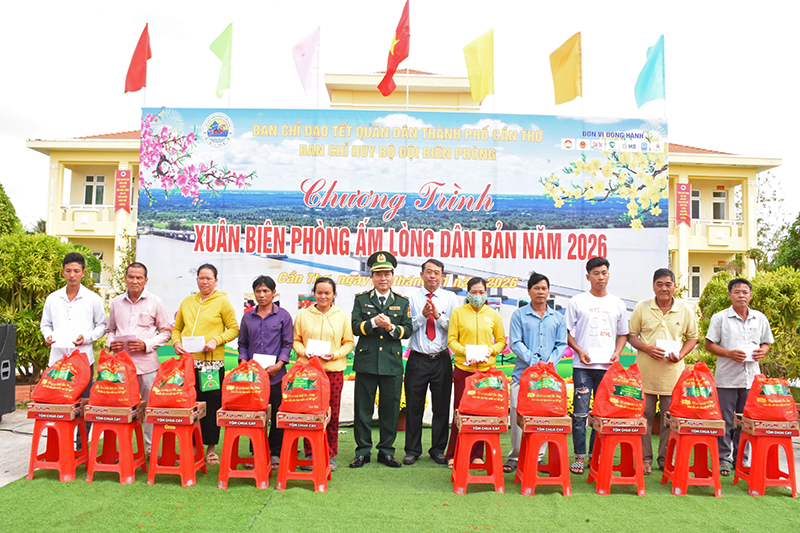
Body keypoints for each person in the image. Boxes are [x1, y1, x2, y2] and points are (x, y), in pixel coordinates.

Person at [627, 268, 698, 474]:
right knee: (644, 418)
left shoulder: (685, 309)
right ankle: (645, 459)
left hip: (672, 375)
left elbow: (692, 337)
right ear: (653, 286)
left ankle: (665, 460)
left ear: (674, 286)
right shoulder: (642, 307)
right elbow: (632, 335)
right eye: (659, 284)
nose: (664, 288)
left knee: (670, 420)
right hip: (645, 374)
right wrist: (647, 348)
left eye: (668, 284)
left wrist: (681, 354)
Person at [704, 277, 773, 476]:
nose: (741, 295)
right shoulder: (720, 318)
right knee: (725, 421)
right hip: (727, 378)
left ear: (751, 296)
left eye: (745, 292)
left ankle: (741, 459)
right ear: (730, 295)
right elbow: (709, 344)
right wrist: (729, 353)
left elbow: (766, 342)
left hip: (751, 379)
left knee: (746, 421)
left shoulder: (760, 318)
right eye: (737, 292)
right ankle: (723, 459)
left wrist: (763, 351)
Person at [172, 263, 239, 466]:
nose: (204, 281)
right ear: (197, 280)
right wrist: (176, 342)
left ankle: (210, 449)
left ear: (216, 281)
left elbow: (234, 329)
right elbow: (177, 328)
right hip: (188, 364)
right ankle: (192, 447)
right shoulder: (187, 302)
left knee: (211, 406)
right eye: (201, 278)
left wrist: (216, 340)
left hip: (211, 364)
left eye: (208, 278)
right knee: (190, 405)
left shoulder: (223, 302)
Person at [566, 256, 628, 475]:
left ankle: (596, 456)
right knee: (580, 414)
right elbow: (567, 332)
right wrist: (579, 351)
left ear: (608, 275)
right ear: (588, 276)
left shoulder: (617, 303)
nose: (600, 277)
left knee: (602, 415)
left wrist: (617, 353)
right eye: (596, 273)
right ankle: (579, 458)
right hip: (583, 366)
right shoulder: (577, 301)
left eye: (604, 273)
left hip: (607, 368)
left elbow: (623, 333)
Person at [349, 251, 412, 468]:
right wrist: (373, 323)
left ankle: (386, 451)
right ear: (372, 277)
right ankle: (362, 451)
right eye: (378, 274)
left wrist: (392, 327)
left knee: (390, 410)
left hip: (391, 364)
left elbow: (408, 330)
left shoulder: (402, 302)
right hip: (366, 362)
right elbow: (355, 327)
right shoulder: (361, 299)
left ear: (393, 276)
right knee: (363, 410)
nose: (383, 278)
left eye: (386, 274)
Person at [40, 251, 107, 449]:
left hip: (83, 360)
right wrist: (47, 336)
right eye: (68, 271)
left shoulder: (93, 299)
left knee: (84, 404)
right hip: (58, 361)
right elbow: (45, 325)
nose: (72, 275)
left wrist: (87, 337)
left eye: (76, 271)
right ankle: (59, 444)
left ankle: (81, 446)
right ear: (62, 272)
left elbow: (102, 326)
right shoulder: (53, 298)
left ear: (83, 273)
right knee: (58, 404)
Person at [504, 272, 567, 473]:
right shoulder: (519, 315)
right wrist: (535, 362)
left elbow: (561, 344)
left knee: (543, 416)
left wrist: (548, 364)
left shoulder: (557, 318)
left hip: (547, 378)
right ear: (529, 291)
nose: (541, 292)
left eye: (544, 288)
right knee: (517, 414)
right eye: (537, 288)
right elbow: (515, 343)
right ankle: (515, 457)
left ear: (549, 292)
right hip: (522, 375)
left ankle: (537, 457)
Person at [107, 262, 172, 455]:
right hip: (120, 367)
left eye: (138, 278)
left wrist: (146, 344)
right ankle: (124, 451)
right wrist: (111, 343)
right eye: (131, 277)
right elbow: (110, 330)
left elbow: (166, 333)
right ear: (125, 278)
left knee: (150, 409)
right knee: (121, 409)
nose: (134, 281)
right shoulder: (116, 303)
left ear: (145, 280)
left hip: (147, 366)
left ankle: (151, 450)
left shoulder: (155, 302)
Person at [294, 277, 355, 471]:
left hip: (333, 372)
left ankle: (329, 454)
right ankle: (310, 453)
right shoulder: (303, 315)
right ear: (314, 293)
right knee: (309, 413)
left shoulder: (342, 316)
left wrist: (334, 355)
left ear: (334, 294)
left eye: (327, 293)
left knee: (332, 413)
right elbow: (296, 340)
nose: (323, 296)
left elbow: (349, 343)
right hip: (308, 372)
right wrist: (304, 352)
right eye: (319, 292)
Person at [445, 277, 507, 468]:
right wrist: (467, 352)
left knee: (482, 414)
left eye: (481, 292)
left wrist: (491, 351)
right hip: (464, 370)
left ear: (486, 293)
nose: (477, 296)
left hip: (486, 373)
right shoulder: (458, 313)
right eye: (474, 292)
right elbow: (451, 340)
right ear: (467, 293)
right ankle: (453, 454)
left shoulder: (493, 314)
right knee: (460, 412)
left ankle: (477, 454)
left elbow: (501, 341)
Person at [403, 259, 458, 466]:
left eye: (437, 272)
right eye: (429, 272)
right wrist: (422, 317)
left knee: (441, 407)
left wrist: (437, 316)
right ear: (421, 275)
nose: (432, 276)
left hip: (441, 359)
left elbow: (455, 327)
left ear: (442, 276)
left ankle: (438, 449)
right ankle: (412, 450)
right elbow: (405, 328)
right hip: (417, 359)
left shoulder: (450, 298)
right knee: (413, 407)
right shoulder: (411, 297)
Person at [237, 275, 293, 471]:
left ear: (273, 293)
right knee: (255, 415)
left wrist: (279, 364)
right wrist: (244, 361)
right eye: (258, 291)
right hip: (253, 377)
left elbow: (287, 344)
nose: (262, 295)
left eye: (266, 291)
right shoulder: (247, 317)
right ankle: (257, 453)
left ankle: (275, 453)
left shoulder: (283, 316)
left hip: (276, 375)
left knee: (277, 414)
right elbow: (242, 344)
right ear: (254, 294)